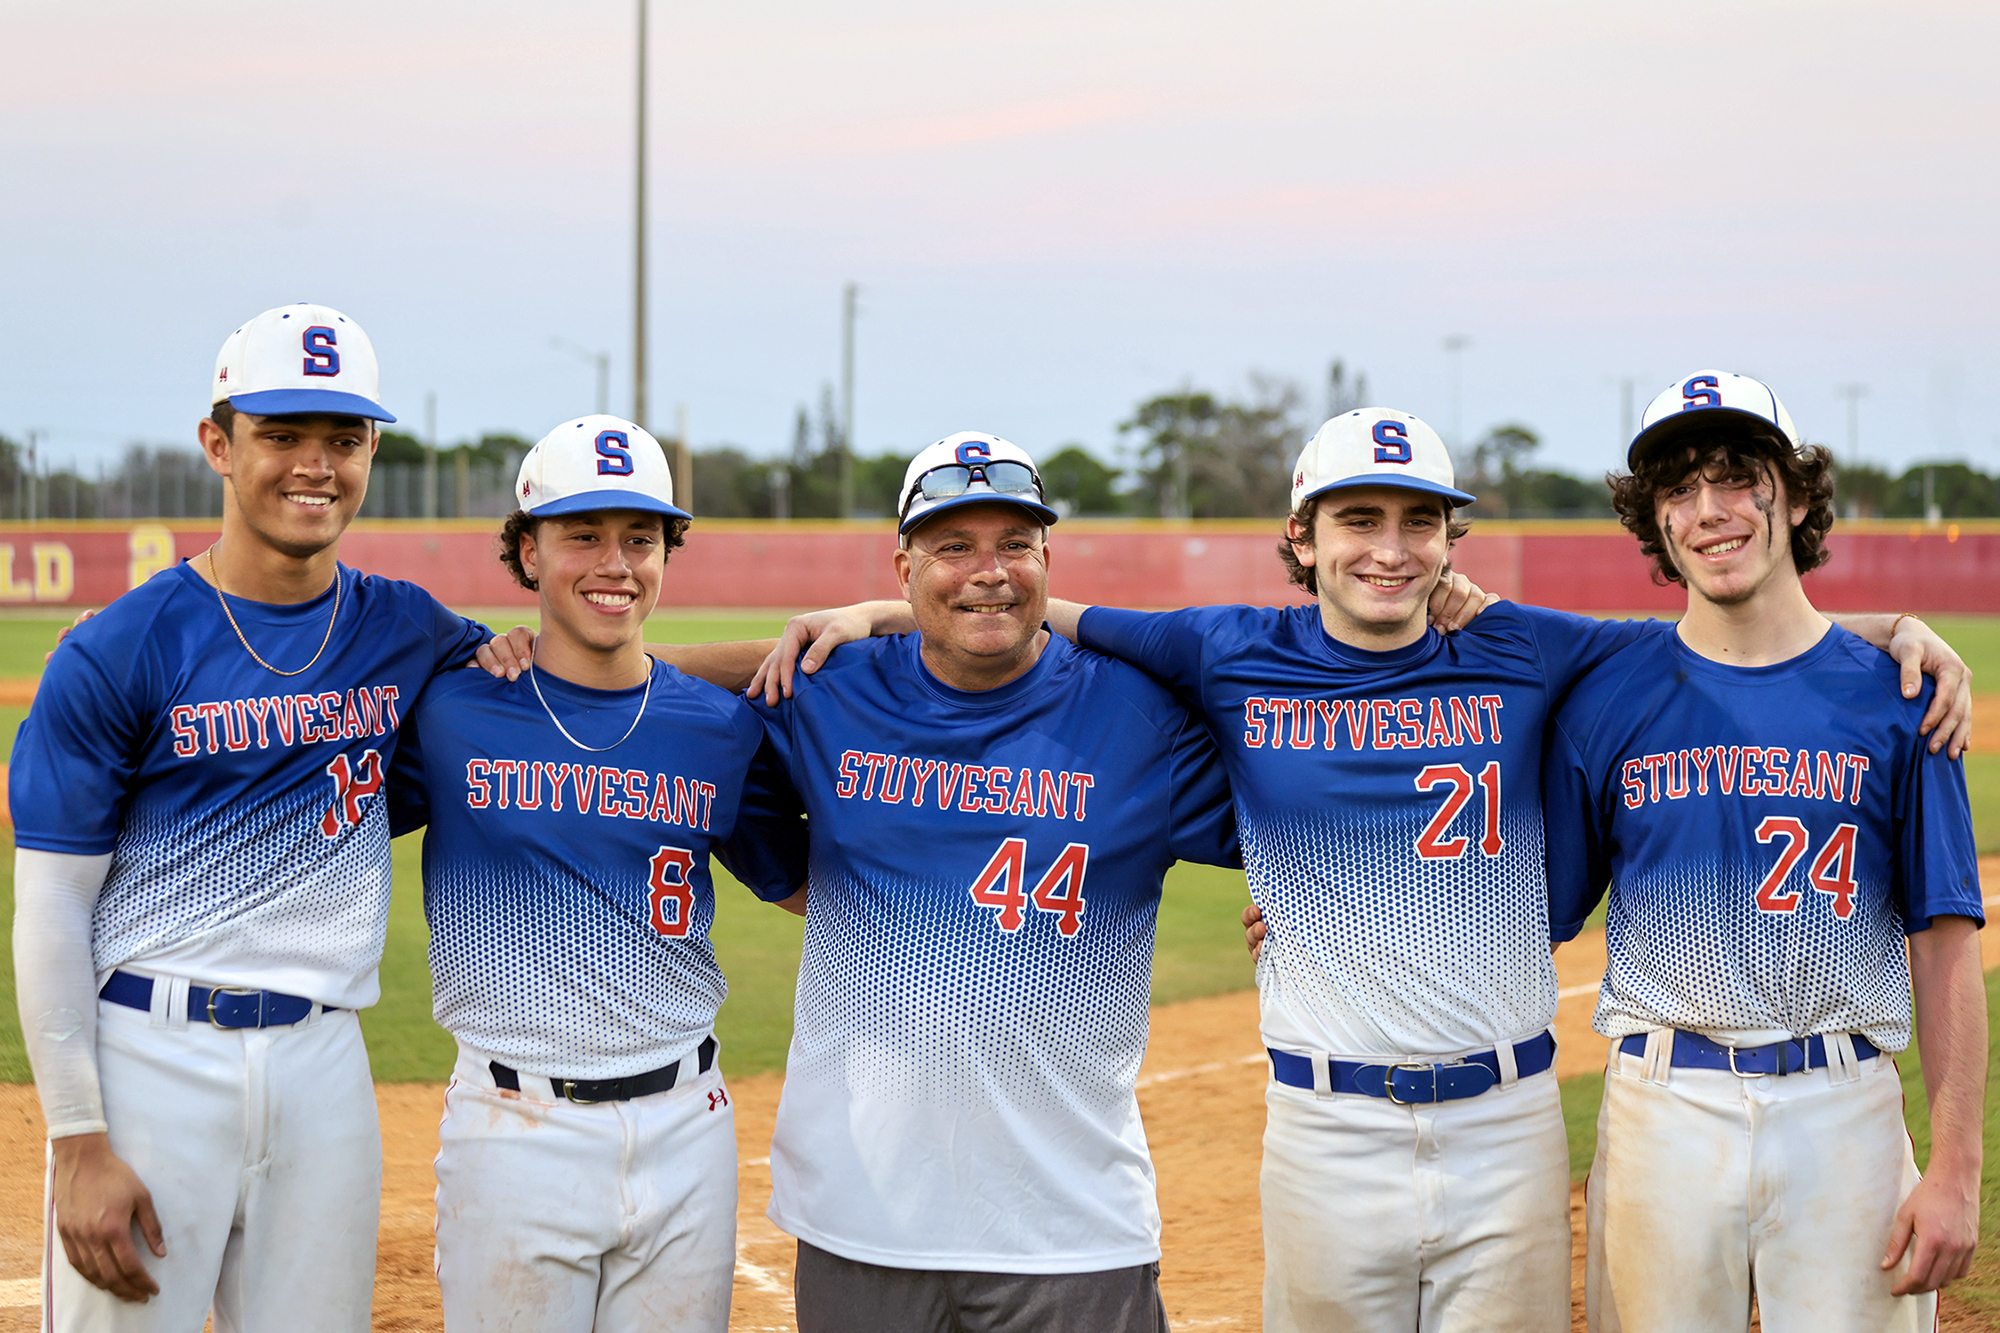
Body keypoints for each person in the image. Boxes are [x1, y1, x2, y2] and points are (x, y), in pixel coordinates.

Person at [763, 409, 1970, 1332]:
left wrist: (1888, 638)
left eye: (1414, 521)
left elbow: (1725, 633)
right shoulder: (1225, 649)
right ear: (1300, 537)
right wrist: (885, 611)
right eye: (1355, 519)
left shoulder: (1523, 644)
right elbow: (1043, 612)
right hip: (1320, 1124)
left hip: (1503, 1120)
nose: (1387, 549)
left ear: (1452, 537)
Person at [7, 303, 533, 1329]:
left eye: (343, 438)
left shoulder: (408, 627)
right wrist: (75, 1138)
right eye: (280, 433)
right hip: (151, 1054)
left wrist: (861, 625)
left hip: (323, 1065)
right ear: (218, 441)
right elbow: (49, 910)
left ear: (373, 448)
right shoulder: (122, 646)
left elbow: (594, 689)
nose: (315, 464)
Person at [744, 431, 1249, 1333]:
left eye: (1016, 544)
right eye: (953, 547)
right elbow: (665, 711)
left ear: (1049, 559)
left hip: (1070, 1228)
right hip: (862, 1219)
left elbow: (1317, 804)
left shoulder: (1140, 716)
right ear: (903, 566)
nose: (990, 570)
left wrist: (1304, 905)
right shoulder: (830, 691)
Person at [1542, 370, 1986, 1332]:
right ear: (1655, 521)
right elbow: (1531, 912)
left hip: (1847, 1108)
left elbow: (1945, 940)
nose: (1710, 510)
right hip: (1664, 1105)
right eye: (1678, 488)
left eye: (1739, 476)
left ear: (1793, 494)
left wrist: (1955, 1169)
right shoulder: (1610, 695)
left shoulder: (1899, 697)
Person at [386, 415, 807, 1331]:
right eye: (583, 535)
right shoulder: (453, 707)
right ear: (528, 553)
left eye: (640, 539)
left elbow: (800, 884)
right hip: (513, 1126)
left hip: (687, 1123)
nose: (614, 562)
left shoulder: (722, 730)